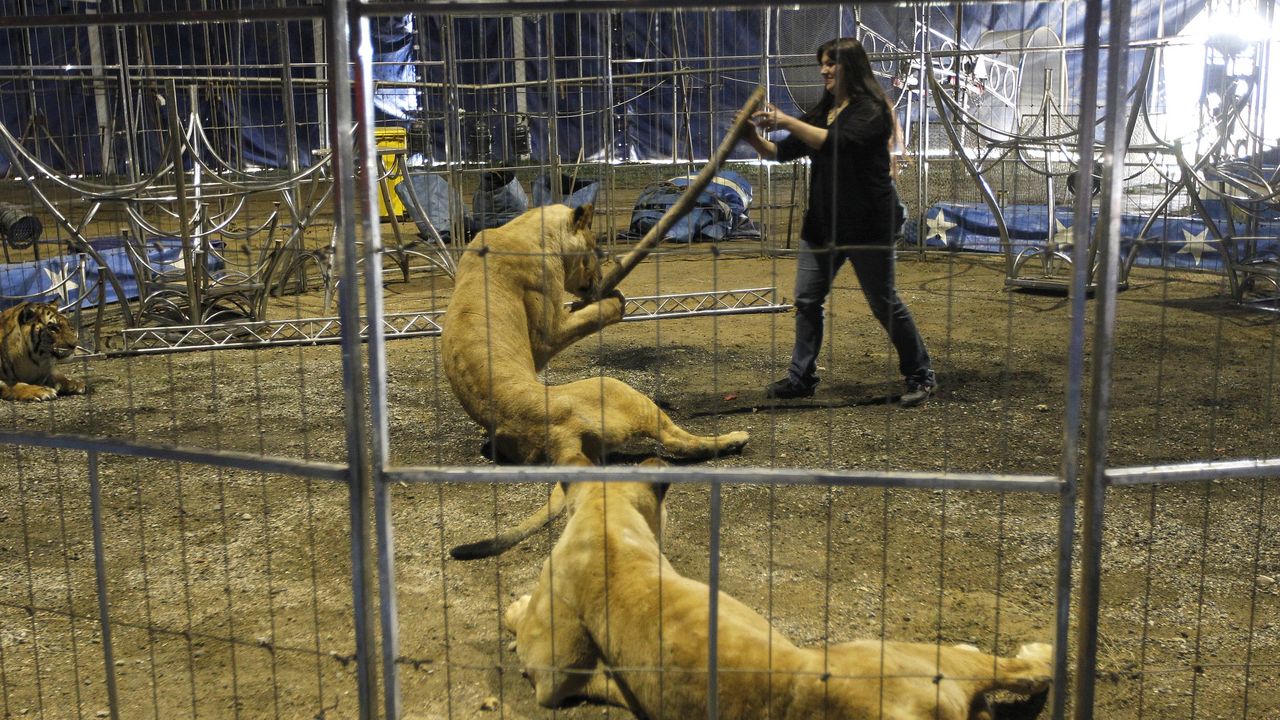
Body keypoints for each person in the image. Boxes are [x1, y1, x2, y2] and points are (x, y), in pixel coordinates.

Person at [740, 36, 936, 406]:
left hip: (867, 225)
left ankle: (920, 374)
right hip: (823, 225)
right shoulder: (824, 109)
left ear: (852, 67)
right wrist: (751, 136)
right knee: (807, 300)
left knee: (883, 303)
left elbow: (837, 143)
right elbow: (782, 151)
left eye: (832, 63)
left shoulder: (873, 109)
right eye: (823, 64)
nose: (824, 70)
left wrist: (785, 120)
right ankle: (801, 378)